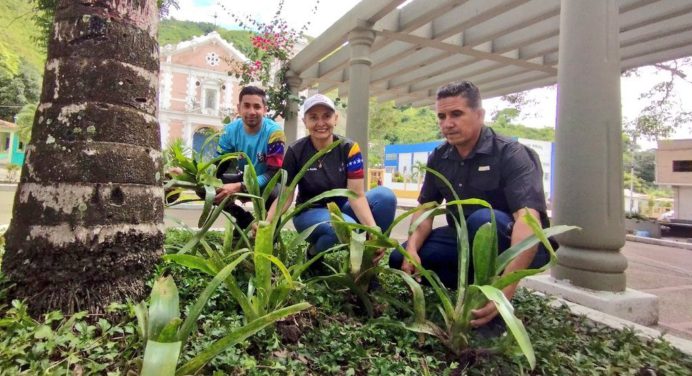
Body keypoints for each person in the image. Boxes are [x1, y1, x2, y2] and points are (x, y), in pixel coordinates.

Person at [388, 80, 552, 329]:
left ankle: (493, 305)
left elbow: (528, 220)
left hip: (515, 244)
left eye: (456, 114)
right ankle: (469, 289)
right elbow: (426, 210)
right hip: (462, 240)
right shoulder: (440, 157)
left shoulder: (511, 153)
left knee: (483, 221)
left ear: (479, 114)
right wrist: (411, 248)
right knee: (397, 257)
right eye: (441, 116)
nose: (447, 124)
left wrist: (504, 291)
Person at [267, 93, 397, 259]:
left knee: (385, 197)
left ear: (335, 119)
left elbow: (356, 195)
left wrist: (374, 229)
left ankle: (368, 264)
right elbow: (286, 195)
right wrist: (267, 221)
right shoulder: (296, 151)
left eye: (326, 116)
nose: (320, 123)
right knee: (344, 226)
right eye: (313, 117)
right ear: (305, 122)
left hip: (343, 207)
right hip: (309, 212)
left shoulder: (349, 149)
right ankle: (313, 254)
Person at [214, 85, 285, 229]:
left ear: (265, 109)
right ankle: (244, 220)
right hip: (244, 179)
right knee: (205, 187)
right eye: (246, 106)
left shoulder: (275, 133)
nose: (251, 111)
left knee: (275, 196)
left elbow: (273, 173)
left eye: (257, 107)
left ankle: (270, 233)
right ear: (239, 108)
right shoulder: (229, 131)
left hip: (268, 183)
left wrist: (239, 187)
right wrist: (195, 175)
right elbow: (218, 165)